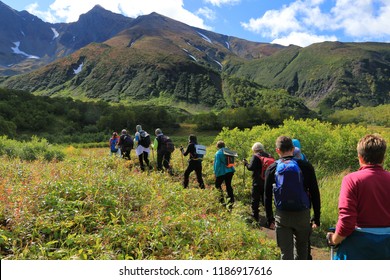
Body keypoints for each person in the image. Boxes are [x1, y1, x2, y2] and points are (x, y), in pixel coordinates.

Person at [327, 134, 390, 260]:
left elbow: (347, 221)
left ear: (360, 158)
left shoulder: (351, 179)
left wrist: (334, 239)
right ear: (383, 158)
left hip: (358, 248)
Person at [264, 136, 321, 260]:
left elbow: (267, 196)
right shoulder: (306, 166)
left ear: (277, 150)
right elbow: (315, 192)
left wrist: (269, 218)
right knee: (302, 250)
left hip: (282, 215)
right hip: (302, 214)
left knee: (286, 253)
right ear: (293, 149)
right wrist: (316, 217)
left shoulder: (272, 168)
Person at [243, 142, 274, 222]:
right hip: (267, 182)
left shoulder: (256, 156)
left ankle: (255, 217)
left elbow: (251, 167)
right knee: (266, 200)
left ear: (254, 149)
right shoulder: (270, 156)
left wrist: (246, 164)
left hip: (257, 181)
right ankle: (270, 219)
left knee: (255, 199)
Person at [213, 140, 235, 209]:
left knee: (217, 185)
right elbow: (232, 161)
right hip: (230, 171)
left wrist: (216, 173)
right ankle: (231, 199)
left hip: (222, 172)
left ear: (218, 146)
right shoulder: (229, 151)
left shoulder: (218, 153)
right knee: (228, 185)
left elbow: (217, 164)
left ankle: (222, 200)